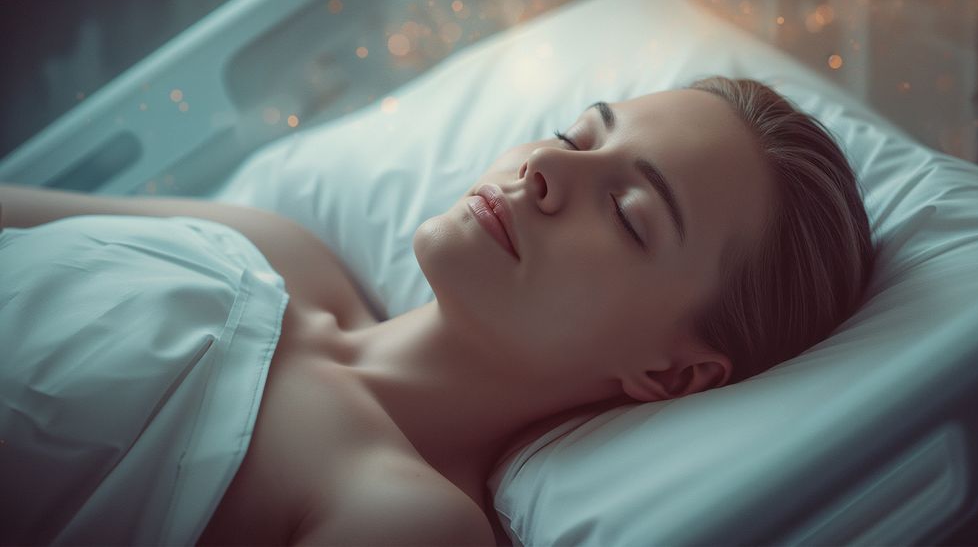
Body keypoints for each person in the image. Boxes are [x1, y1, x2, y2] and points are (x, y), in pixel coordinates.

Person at [0, 76, 874, 545]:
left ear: (673, 373)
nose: (546, 169)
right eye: (577, 135)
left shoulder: (404, 521)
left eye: (627, 213)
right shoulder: (278, 248)